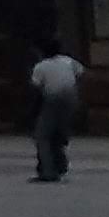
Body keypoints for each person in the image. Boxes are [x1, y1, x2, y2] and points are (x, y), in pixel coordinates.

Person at [29, 39, 83, 183]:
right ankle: (61, 166)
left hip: (52, 99)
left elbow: (36, 90)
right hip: (71, 99)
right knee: (59, 134)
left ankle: (48, 172)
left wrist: (33, 112)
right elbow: (81, 74)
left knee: (43, 136)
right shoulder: (68, 61)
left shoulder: (41, 67)